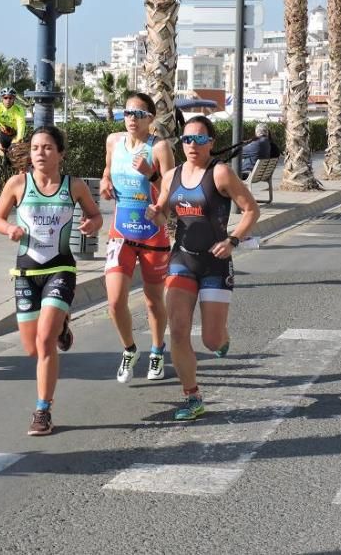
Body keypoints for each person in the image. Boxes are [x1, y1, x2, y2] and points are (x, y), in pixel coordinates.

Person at [147, 116, 260, 421]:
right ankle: (193, 396)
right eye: (186, 139)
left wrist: (233, 240)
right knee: (179, 330)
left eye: (199, 140)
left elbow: (251, 209)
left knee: (211, 340)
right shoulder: (171, 176)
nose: (192, 146)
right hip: (182, 259)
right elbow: (163, 217)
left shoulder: (220, 173)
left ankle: (221, 340)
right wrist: (156, 212)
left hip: (215, 262)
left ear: (211, 142)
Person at [0, 126, 102, 436]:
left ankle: (43, 410)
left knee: (44, 343)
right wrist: (8, 230)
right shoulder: (17, 184)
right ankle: (62, 324)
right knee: (31, 348)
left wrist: (91, 224)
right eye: (37, 148)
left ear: (61, 154)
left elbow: (95, 215)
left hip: (60, 269)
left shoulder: (74, 186)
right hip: (27, 271)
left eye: (48, 148)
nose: (41, 153)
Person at [100, 92, 175, 382]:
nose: (132, 119)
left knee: (153, 301)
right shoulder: (113, 141)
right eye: (128, 113)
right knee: (115, 302)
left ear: (151, 119)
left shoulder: (159, 148)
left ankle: (157, 351)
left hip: (153, 233)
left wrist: (152, 176)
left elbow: (171, 189)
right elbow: (107, 169)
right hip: (120, 234)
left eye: (139, 114)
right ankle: (130, 349)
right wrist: (106, 180)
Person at [0, 87, 27, 156]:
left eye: (10, 98)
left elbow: (21, 126)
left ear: (14, 99)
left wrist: (19, 140)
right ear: (2, 98)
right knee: (2, 156)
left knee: (14, 156)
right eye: (5, 98)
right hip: (4, 135)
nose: (8, 100)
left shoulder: (18, 110)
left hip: (15, 135)